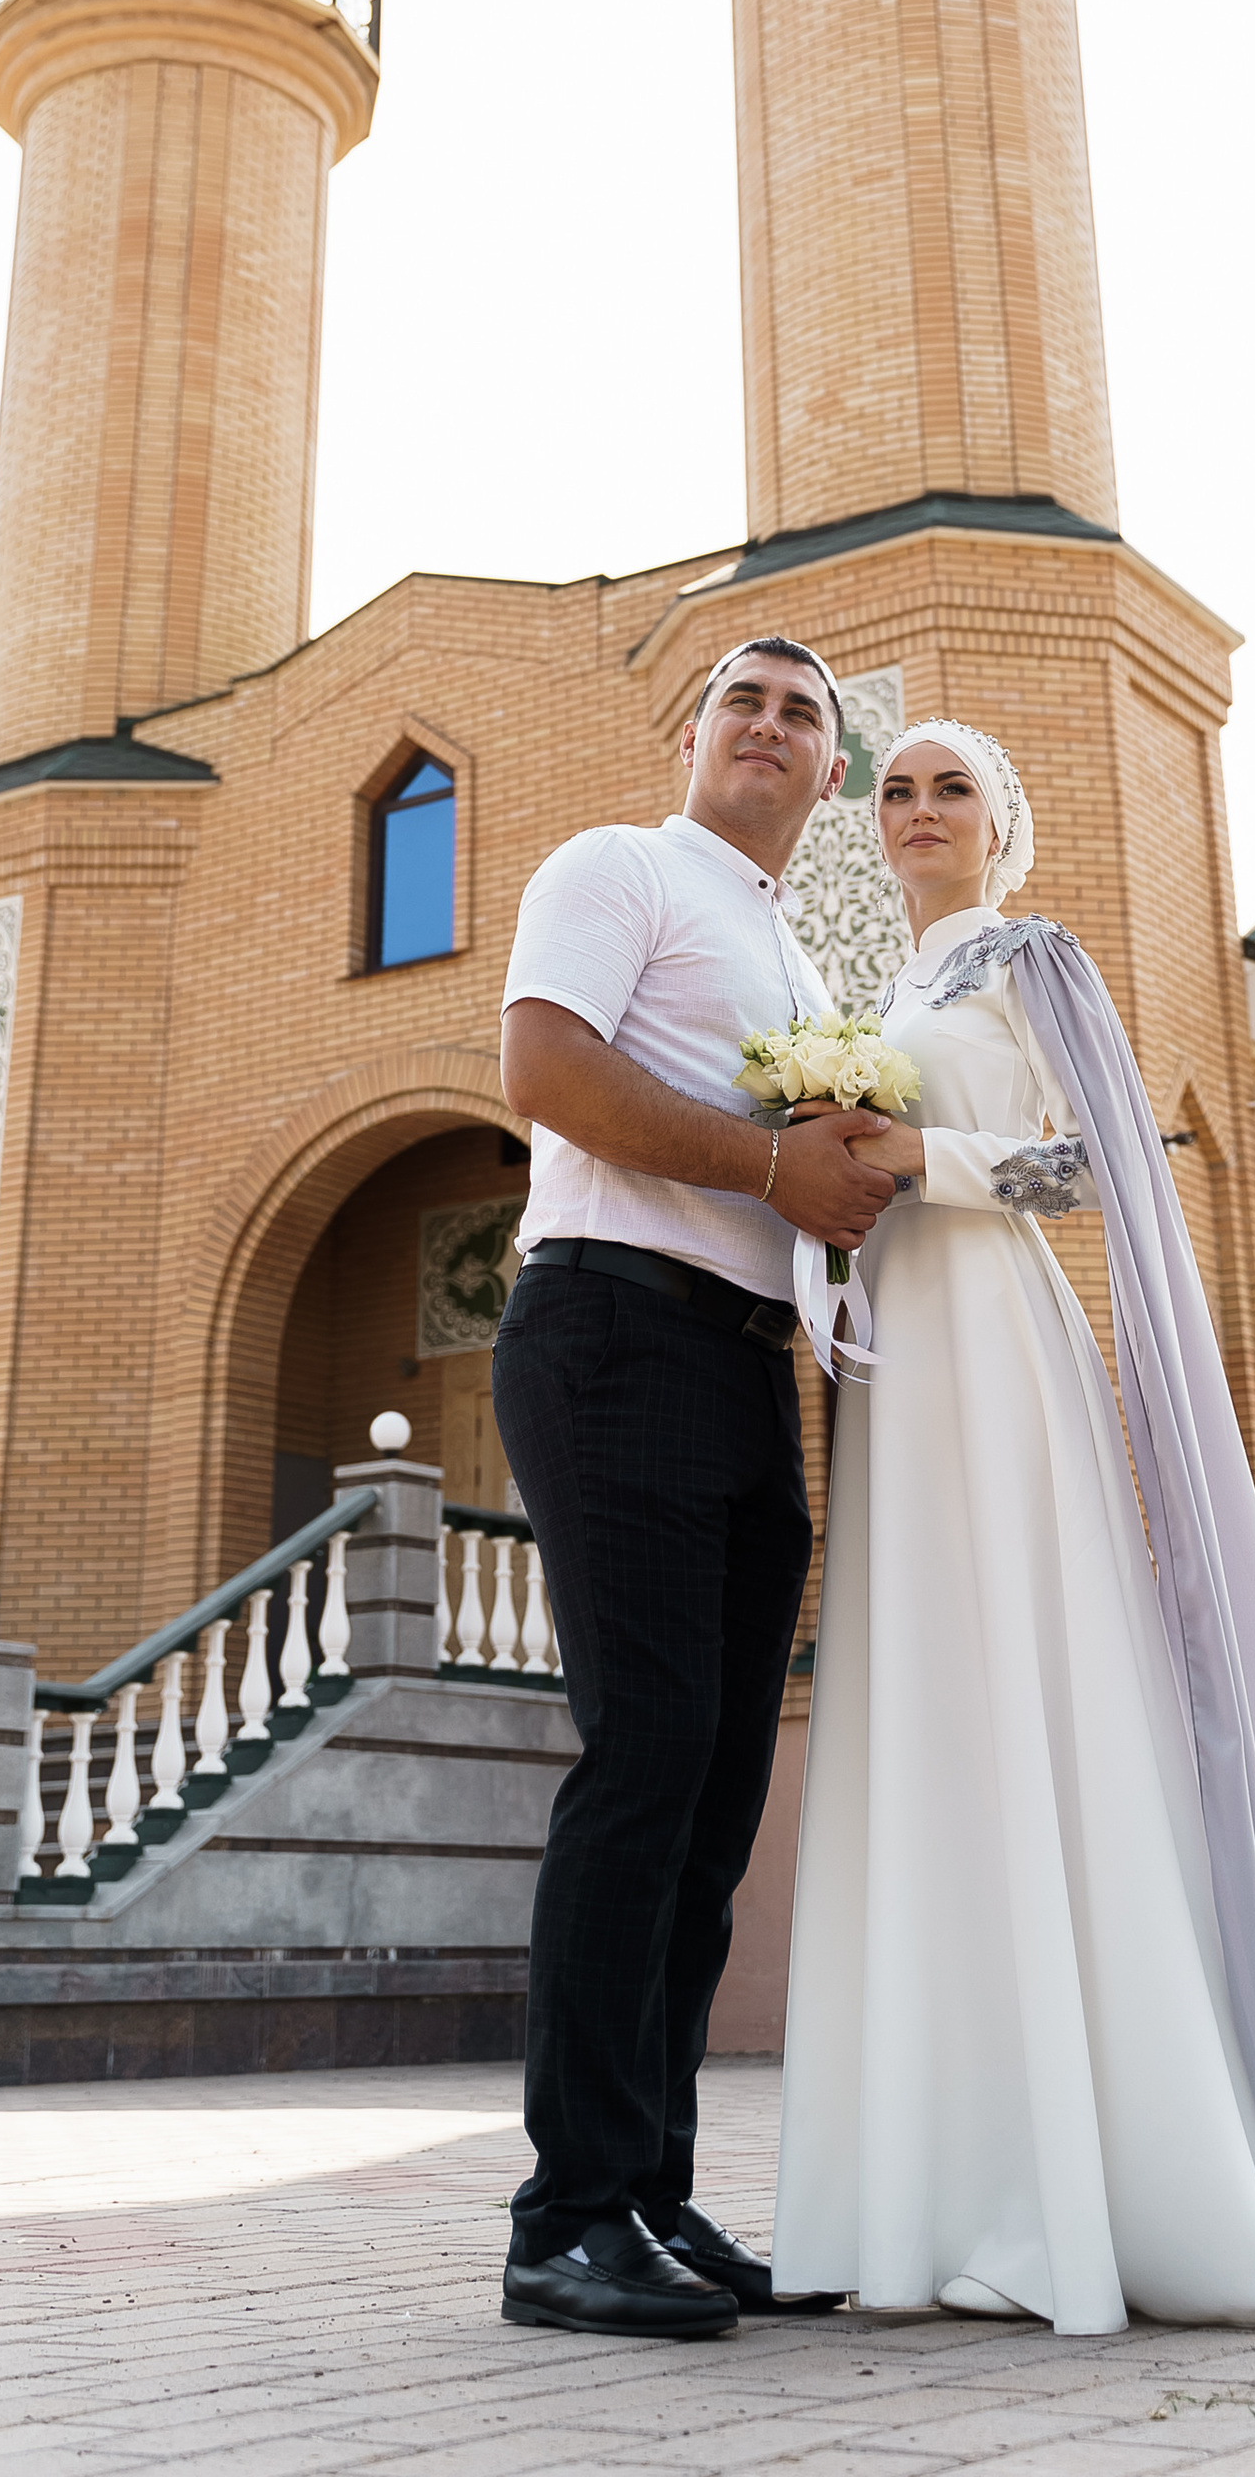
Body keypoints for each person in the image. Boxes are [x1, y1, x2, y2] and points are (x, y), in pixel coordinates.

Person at [772, 720, 1255, 2336]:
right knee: (930, 1714)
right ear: (869, 829)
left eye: (954, 788)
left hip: (1003, 1355)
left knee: (1033, 1680)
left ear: (1005, 824)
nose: (921, 810)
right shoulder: (872, 1000)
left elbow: (1093, 1171)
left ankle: (1100, 2187)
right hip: (899, 1378)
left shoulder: (1035, 961)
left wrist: (914, 1156)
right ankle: (931, 2189)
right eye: (898, 789)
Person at [491, 637, 909, 2341]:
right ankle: (565, 2218)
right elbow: (545, 1073)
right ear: (693, 735)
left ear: (828, 778)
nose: (769, 724)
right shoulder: (621, 869)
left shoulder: (795, 944)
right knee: (647, 1761)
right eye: (744, 699)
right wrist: (772, 1163)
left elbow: (819, 1183)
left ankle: (652, 2195)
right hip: (611, 1332)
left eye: (802, 714)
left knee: (722, 1799)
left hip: (750, 1373)